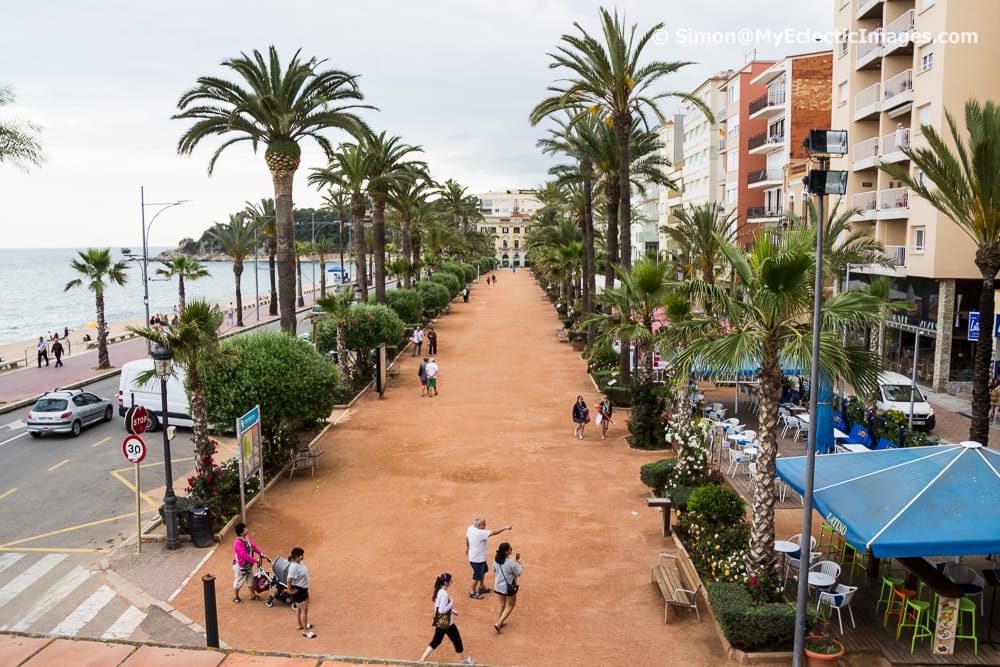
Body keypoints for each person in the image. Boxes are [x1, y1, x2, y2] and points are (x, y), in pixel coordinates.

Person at [418, 573, 474, 664]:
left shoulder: (439, 591)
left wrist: (452, 610)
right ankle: (464, 661)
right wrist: (451, 603)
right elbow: (442, 610)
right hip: (447, 623)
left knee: (436, 641)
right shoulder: (444, 594)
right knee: (457, 640)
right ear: (447, 583)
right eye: (451, 581)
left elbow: (440, 606)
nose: (452, 582)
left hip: (439, 621)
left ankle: (421, 660)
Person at [465, 517, 511, 599]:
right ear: (479, 525)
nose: (486, 525)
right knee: (477, 576)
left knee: (483, 571)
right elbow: (494, 532)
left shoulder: (470, 528)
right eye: (484, 524)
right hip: (477, 559)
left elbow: (467, 538)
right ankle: (472, 592)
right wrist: (505, 528)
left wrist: (467, 547)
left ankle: (481, 587)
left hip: (478, 558)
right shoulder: (480, 533)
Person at [492, 542, 523, 633]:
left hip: (498, 587)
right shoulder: (511, 563)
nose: (511, 550)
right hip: (508, 588)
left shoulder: (496, 559)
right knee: (510, 605)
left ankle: (500, 621)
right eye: (510, 549)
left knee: (502, 604)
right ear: (506, 552)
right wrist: (520, 564)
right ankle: (499, 623)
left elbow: (494, 569)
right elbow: (518, 573)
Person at [232, 523, 265, 603]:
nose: (247, 529)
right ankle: (235, 596)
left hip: (248, 564)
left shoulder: (247, 538)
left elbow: (253, 546)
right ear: (241, 532)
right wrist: (254, 560)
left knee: (250, 579)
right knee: (239, 580)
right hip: (241, 565)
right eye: (245, 529)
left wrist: (261, 553)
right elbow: (244, 554)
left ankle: (252, 595)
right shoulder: (238, 542)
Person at [287, 547, 314, 637]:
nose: (302, 557)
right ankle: (305, 630)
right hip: (298, 589)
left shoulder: (299, 562)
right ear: (295, 556)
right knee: (304, 609)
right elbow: (289, 580)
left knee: (299, 607)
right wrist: (290, 590)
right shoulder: (293, 567)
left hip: (303, 588)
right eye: (300, 555)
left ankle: (300, 624)